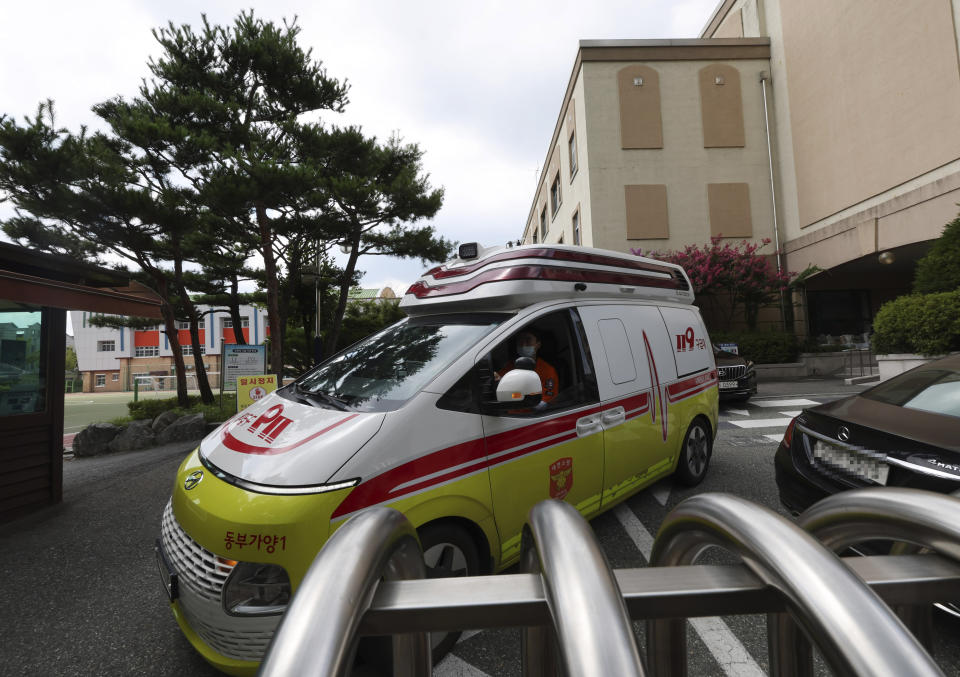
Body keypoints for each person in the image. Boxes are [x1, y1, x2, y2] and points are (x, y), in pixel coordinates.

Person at [495, 330, 559, 404]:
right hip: (510, 412)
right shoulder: (511, 366)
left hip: (532, 415)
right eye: (520, 341)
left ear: (538, 344)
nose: (523, 344)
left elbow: (545, 401)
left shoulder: (547, 370)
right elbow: (499, 380)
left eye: (528, 340)